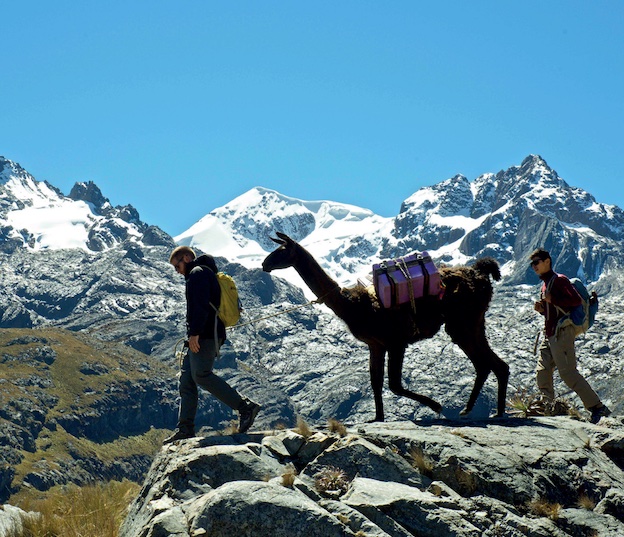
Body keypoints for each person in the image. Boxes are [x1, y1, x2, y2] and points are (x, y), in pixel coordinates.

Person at [164, 246, 260, 443]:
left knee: (201, 375)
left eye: (178, 265)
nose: (177, 271)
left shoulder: (197, 274)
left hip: (205, 335)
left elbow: (198, 307)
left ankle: (245, 407)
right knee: (187, 379)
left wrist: (195, 334)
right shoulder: (202, 273)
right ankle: (185, 428)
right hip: (204, 333)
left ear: (187, 257)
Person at [530, 248, 611, 424]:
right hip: (550, 334)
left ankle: (597, 407)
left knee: (568, 374)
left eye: (536, 262)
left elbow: (574, 301)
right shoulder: (546, 284)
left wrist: (552, 301)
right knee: (542, 372)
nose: (534, 266)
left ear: (547, 261)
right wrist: (543, 309)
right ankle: (547, 407)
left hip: (562, 334)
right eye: (532, 264)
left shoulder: (559, 280)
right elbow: (556, 311)